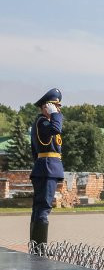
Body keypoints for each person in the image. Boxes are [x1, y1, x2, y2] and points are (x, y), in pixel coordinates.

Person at [29, 88, 64, 248]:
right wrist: (55, 115)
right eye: (56, 106)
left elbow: (34, 152)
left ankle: (36, 245)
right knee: (44, 207)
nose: (59, 109)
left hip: (45, 168)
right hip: (47, 169)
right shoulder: (43, 122)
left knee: (39, 207)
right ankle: (40, 247)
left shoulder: (44, 123)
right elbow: (56, 129)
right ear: (46, 107)